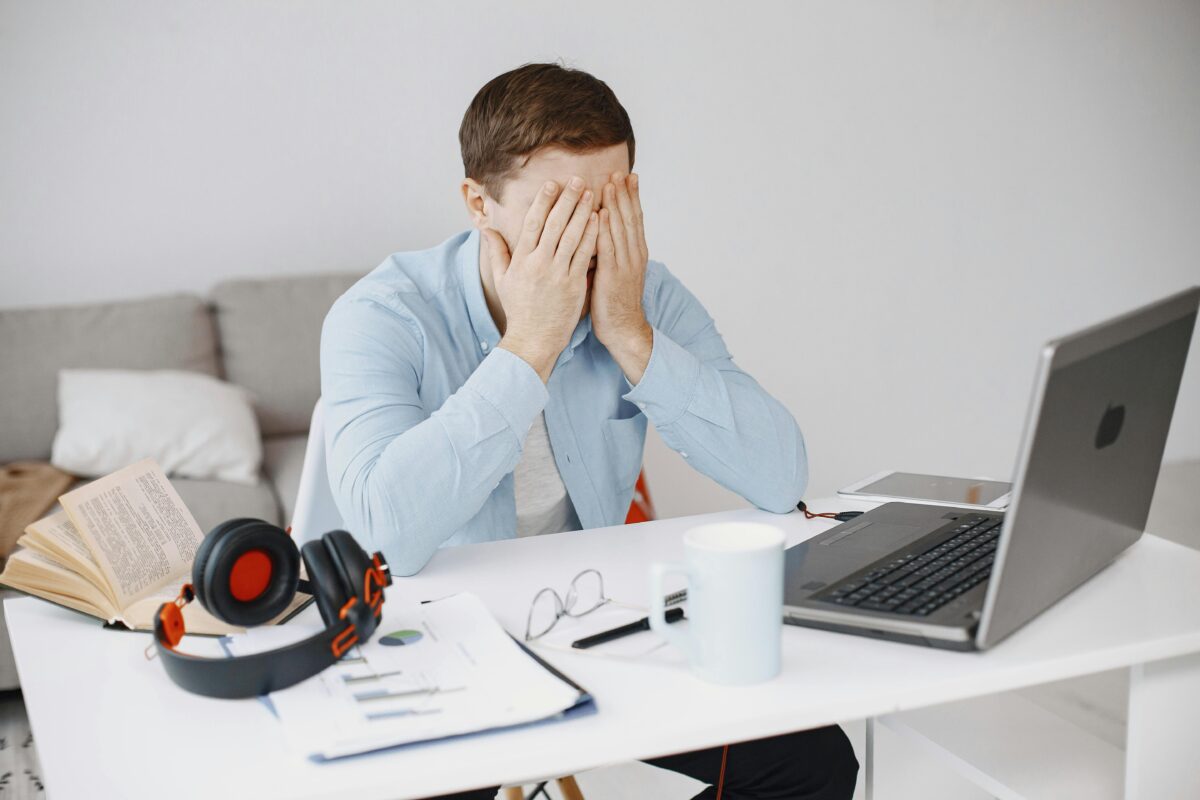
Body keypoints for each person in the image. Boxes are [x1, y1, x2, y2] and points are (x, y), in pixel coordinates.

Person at [321, 62, 858, 800]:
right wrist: (529, 346)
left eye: (609, 206)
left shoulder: (641, 292)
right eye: (558, 211)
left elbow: (778, 477)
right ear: (480, 203)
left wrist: (632, 335)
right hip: (419, 641)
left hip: (580, 619)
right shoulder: (380, 315)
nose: (589, 237)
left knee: (811, 761)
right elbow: (390, 533)